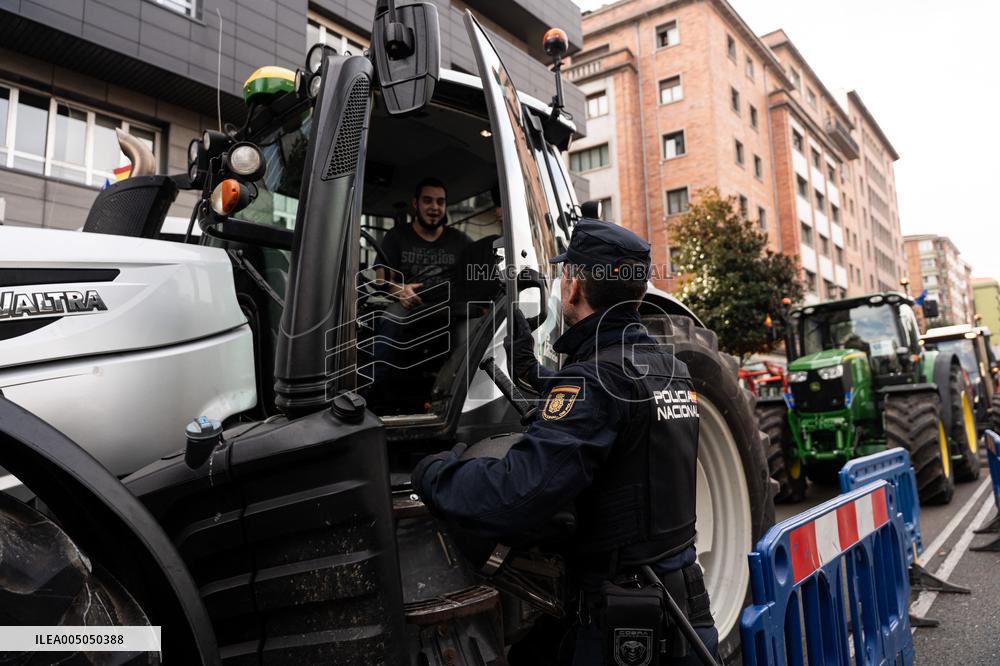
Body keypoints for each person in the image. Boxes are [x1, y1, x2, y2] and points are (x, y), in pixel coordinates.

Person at [411, 218, 718, 665]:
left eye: (564, 275)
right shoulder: (667, 368)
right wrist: (529, 368)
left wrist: (435, 471)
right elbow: (612, 413)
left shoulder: (597, 381)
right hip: (683, 610)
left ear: (574, 287)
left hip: (626, 624)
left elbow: (517, 493)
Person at [367, 178, 471, 409]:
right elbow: (381, 280)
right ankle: (374, 396)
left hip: (448, 311)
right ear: (415, 204)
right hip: (408, 306)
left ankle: (458, 402)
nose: (434, 207)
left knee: (473, 330)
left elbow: (479, 271)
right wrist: (400, 290)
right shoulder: (396, 237)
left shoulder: (460, 241)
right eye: (428, 201)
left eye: (440, 202)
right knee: (388, 321)